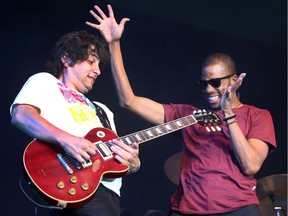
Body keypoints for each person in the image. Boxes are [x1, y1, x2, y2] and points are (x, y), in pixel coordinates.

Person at [85, 4, 277, 216]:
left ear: (234, 80)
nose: (209, 89)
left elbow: (251, 165)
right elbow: (128, 101)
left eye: (215, 82)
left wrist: (228, 114)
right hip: (186, 209)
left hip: (239, 209)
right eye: (203, 84)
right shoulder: (189, 115)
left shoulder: (257, 115)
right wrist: (114, 43)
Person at [10, 30, 141, 216]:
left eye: (98, 64)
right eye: (91, 61)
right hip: (69, 180)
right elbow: (21, 115)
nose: (98, 70)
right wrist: (67, 140)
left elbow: (113, 160)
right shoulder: (45, 82)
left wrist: (133, 163)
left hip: (108, 193)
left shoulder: (102, 110)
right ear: (67, 58)